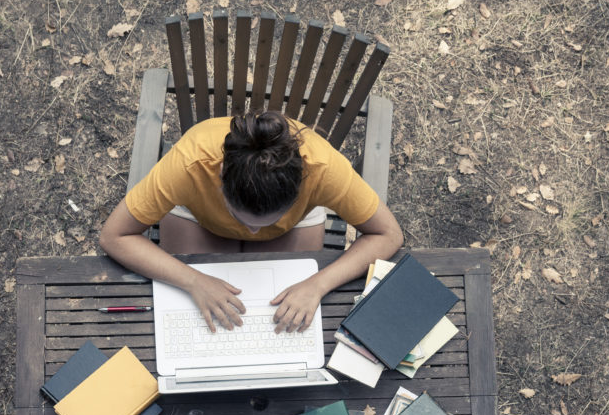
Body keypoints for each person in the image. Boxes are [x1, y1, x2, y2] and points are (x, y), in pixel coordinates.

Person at [98, 110, 403, 333]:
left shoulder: (323, 168)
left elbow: (389, 234)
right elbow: (114, 236)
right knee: (197, 317)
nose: (254, 232)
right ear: (219, 179)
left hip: (295, 226)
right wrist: (193, 280)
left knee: (279, 322)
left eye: (269, 221)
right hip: (199, 217)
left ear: (301, 187)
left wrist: (317, 284)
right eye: (241, 218)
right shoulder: (189, 164)